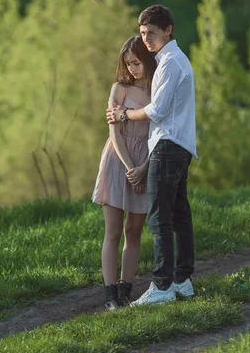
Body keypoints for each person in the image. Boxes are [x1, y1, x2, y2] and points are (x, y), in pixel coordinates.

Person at [106, 5, 198, 305]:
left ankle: (161, 286)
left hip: (168, 146)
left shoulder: (170, 63)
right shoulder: (171, 60)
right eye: (143, 33)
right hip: (179, 145)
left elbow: (157, 110)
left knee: (160, 218)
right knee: (180, 215)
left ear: (168, 29)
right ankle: (182, 280)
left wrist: (125, 115)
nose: (146, 39)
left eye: (152, 33)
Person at [92, 34, 157, 310]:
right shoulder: (119, 90)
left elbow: (160, 132)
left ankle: (125, 291)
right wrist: (131, 167)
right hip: (118, 162)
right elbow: (114, 134)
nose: (132, 68)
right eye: (128, 63)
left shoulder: (157, 91)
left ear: (148, 61)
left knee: (134, 230)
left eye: (137, 63)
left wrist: (144, 168)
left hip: (146, 161)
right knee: (113, 231)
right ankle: (109, 296)